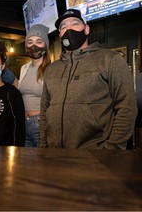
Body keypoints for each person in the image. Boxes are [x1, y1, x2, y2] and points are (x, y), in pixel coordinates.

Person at [39, 9, 137, 150]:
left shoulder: (109, 59)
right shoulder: (51, 69)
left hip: (95, 155)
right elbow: (44, 111)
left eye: (75, 24)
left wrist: (111, 149)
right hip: (53, 154)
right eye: (63, 27)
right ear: (60, 35)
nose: (68, 29)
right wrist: (43, 147)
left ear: (86, 29)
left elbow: (127, 108)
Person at [18, 24, 51, 147]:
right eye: (30, 42)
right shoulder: (24, 68)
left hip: (40, 122)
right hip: (24, 123)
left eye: (39, 41)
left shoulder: (51, 69)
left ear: (45, 45)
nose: (34, 46)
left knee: (42, 163)